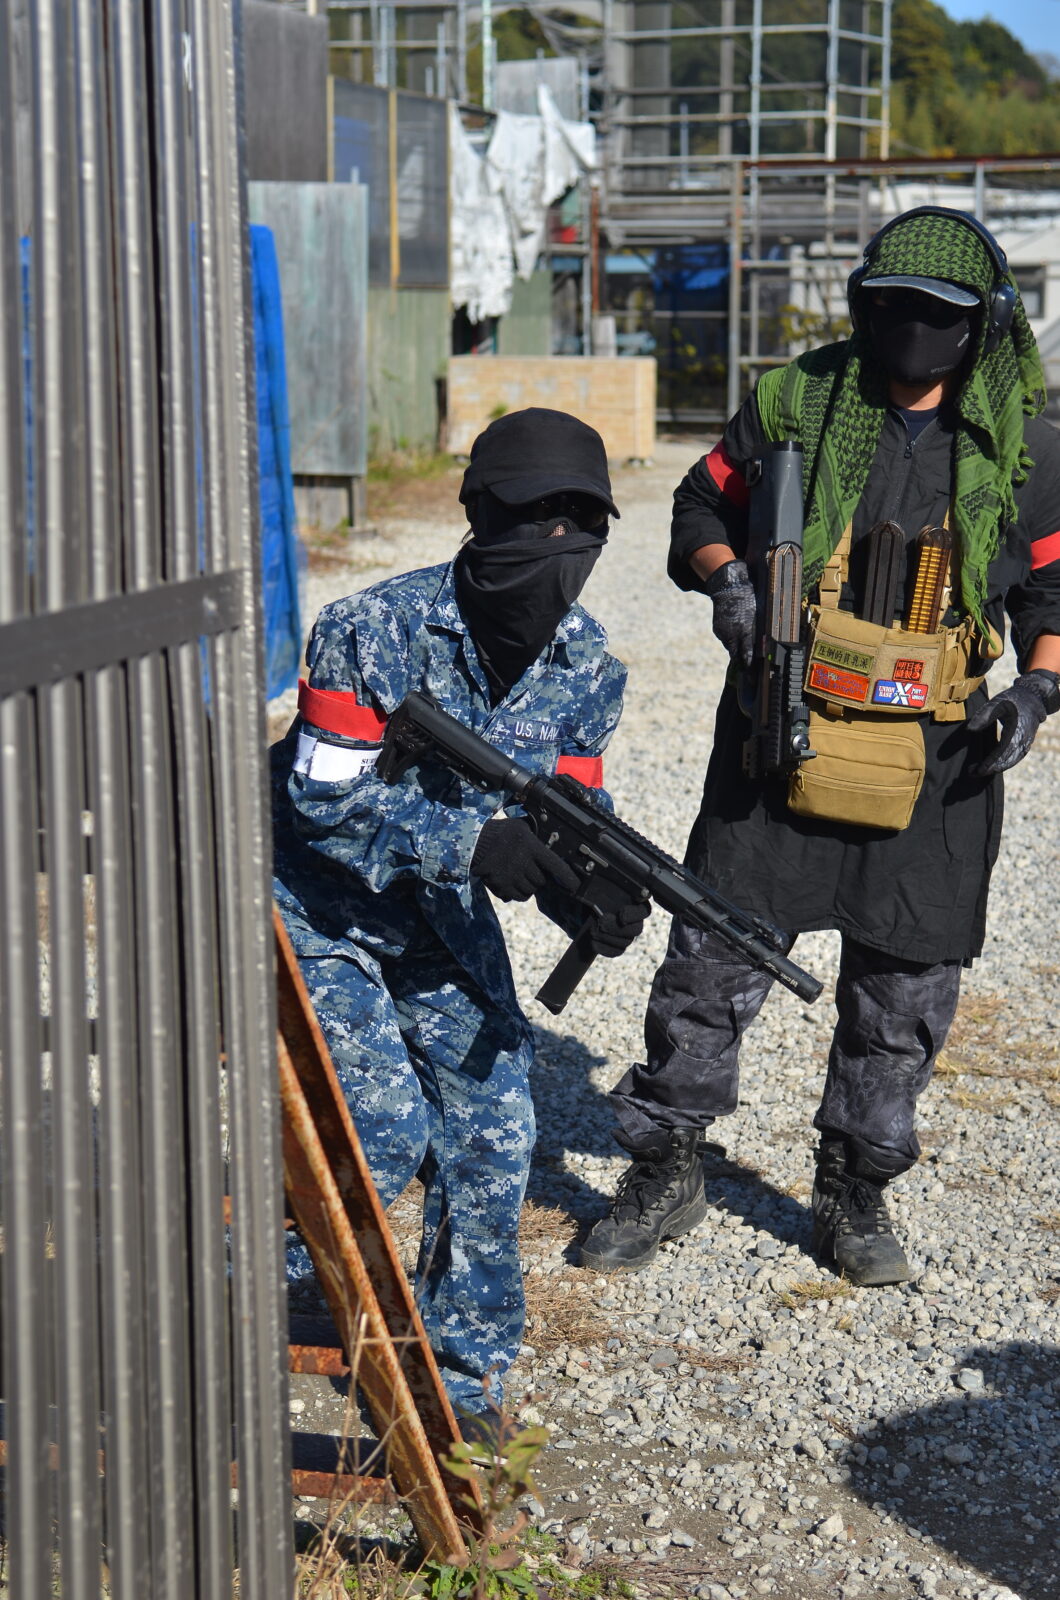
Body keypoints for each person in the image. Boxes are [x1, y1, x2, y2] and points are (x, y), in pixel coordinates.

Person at [580, 206, 1060, 1287]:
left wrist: (1035, 691)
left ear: (982, 323)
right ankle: (666, 1164)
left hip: (937, 764)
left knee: (904, 989)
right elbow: (698, 506)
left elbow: (1055, 591)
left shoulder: (1027, 446)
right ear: (860, 306)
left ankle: (855, 1186)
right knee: (710, 960)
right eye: (889, 306)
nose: (910, 329)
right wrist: (731, 585)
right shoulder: (794, 401)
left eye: (936, 313)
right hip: (777, 732)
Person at [272, 408, 648, 1422]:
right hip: (310, 902)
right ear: (481, 516)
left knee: (494, 1122)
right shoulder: (370, 628)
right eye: (535, 517)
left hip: (431, 914)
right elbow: (319, 804)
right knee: (383, 1127)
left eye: (581, 523)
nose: (558, 544)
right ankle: (233, 1281)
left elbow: (573, 812)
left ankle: (462, 1377)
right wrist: (474, 845)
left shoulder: (586, 665)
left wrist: (589, 894)